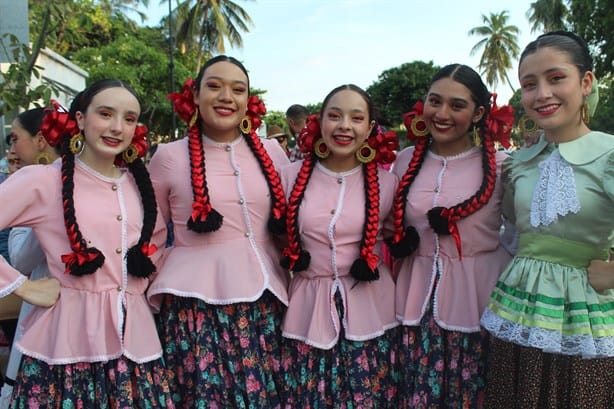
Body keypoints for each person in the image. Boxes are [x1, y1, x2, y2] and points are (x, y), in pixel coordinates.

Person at [0, 79, 173, 407]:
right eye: (106, 114)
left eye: (129, 118)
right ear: (79, 119)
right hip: (66, 350)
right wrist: (22, 287)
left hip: (137, 352)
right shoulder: (43, 180)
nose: (117, 127)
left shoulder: (138, 187)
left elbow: (156, 249)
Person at [147, 55, 290, 408]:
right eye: (214, 86)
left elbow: (294, 223)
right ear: (194, 96)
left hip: (265, 307)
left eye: (237, 89)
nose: (226, 96)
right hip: (194, 312)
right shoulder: (168, 156)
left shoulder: (272, 152)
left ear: (248, 101)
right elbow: (147, 237)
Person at [480, 31, 614, 408]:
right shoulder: (519, 164)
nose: (542, 94)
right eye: (529, 84)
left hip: (586, 324)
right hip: (517, 316)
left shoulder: (608, 155)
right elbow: (507, 233)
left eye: (556, 78)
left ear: (586, 82)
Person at [388, 64, 514, 408]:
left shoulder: (502, 167)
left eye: (457, 106)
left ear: (479, 113)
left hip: (480, 303)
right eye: (434, 101)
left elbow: (519, 234)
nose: (442, 114)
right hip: (413, 304)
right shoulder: (403, 162)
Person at [279, 84, 399, 407]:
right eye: (335, 116)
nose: (345, 125)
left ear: (370, 128)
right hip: (307, 311)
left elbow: (394, 237)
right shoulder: (289, 177)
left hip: (371, 312)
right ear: (320, 122)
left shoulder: (387, 183)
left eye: (356, 118)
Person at [0, 108, 61, 408]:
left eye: (15, 139)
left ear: (40, 141)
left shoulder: (45, 181)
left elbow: (22, 258)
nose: (11, 149)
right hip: (39, 309)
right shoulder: (39, 182)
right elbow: (21, 261)